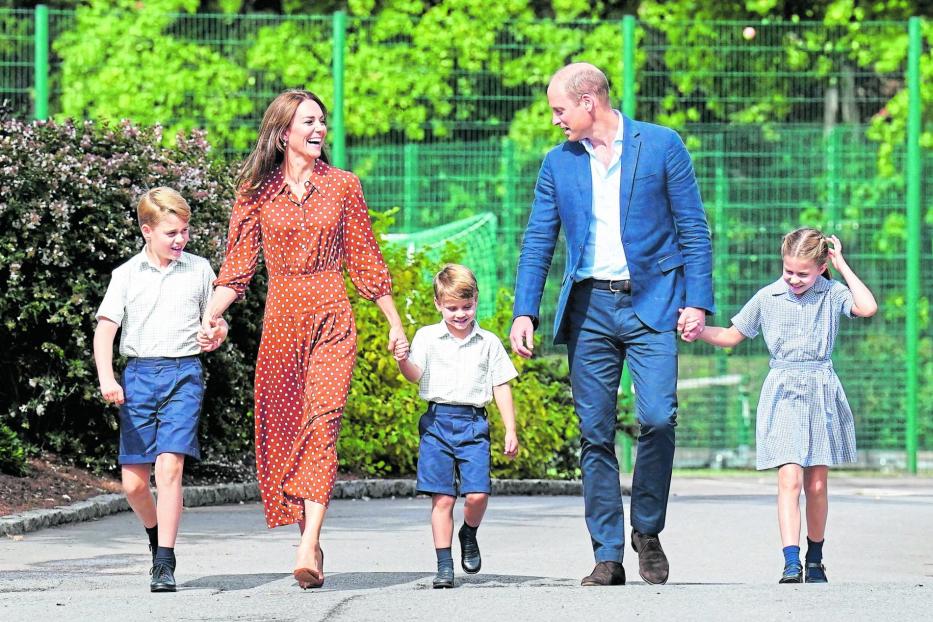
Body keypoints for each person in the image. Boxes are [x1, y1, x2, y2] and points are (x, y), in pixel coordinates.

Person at [510, 62, 714, 586]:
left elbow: (694, 228)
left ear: (588, 103)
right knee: (594, 433)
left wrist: (698, 301)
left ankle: (646, 529)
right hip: (590, 311)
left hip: (653, 304)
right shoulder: (558, 164)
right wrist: (524, 310)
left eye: (559, 109)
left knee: (659, 418)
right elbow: (539, 239)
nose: (555, 120)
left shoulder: (662, 145)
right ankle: (607, 553)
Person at [200, 89, 408, 590]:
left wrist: (394, 322)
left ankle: (306, 543)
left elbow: (364, 258)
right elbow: (237, 267)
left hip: (332, 317)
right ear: (283, 133)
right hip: (282, 322)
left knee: (324, 422)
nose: (318, 130)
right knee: (290, 431)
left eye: (322, 121)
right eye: (308, 121)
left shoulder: (343, 186)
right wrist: (211, 316)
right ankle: (309, 537)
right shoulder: (256, 194)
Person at [695, 228, 876, 583]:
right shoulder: (768, 296)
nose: (793, 278)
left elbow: (867, 307)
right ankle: (790, 561)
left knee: (817, 484)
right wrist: (695, 329)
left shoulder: (833, 292)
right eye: (788, 270)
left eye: (802, 273)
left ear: (822, 266)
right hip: (782, 391)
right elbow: (732, 336)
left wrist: (841, 265)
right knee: (789, 478)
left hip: (820, 389)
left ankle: (815, 557)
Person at [93, 187, 228, 592]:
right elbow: (104, 333)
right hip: (138, 377)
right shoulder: (126, 275)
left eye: (184, 231)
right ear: (147, 231)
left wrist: (217, 332)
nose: (180, 240)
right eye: (171, 232)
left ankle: (164, 563)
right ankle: (155, 537)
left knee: (170, 466)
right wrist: (107, 378)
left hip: (184, 374)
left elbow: (216, 322)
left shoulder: (200, 269)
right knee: (134, 482)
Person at [395, 264, 519, 589]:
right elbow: (414, 374)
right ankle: (444, 566)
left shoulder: (488, 342)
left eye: (466, 306)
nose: (460, 314)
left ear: (476, 300)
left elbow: (501, 385)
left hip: (473, 424)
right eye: (452, 308)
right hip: (437, 423)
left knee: (477, 494)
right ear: (439, 305)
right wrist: (401, 360)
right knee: (443, 499)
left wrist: (510, 429)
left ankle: (469, 533)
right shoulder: (427, 337)